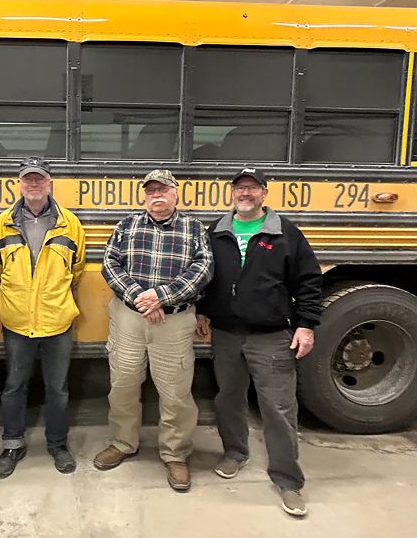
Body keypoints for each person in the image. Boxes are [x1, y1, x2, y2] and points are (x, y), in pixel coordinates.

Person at [195, 166, 322, 517]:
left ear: (264, 193)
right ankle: (235, 452)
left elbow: (309, 281)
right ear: (232, 194)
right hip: (225, 334)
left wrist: (306, 324)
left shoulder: (285, 234)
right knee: (228, 399)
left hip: (271, 337)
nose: (245, 193)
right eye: (239, 188)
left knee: (278, 407)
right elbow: (207, 277)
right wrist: (204, 310)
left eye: (252, 188)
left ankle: (288, 480)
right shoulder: (216, 232)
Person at [94, 169, 213, 492]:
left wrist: (162, 296)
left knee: (175, 389)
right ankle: (123, 442)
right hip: (128, 317)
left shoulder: (193, 229)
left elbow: (202, 271)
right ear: (144, 195)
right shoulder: (127, 225)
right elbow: (109, 264)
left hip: (173, 322)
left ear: (176, 194)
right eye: (150, 191)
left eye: (163, 190)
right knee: (123, 382)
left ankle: (175, 453)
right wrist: (140, 297)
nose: (156, 196)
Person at [0, 156, 86, 478]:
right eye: (28, 179)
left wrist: (52, 298)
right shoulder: (2, 223)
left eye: (39, 179)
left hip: (57, 321)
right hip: (17, 322)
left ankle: (58, 444)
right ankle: (12, 444)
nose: (33, 184)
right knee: (14, 385)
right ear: (19, 184)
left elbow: (77, 270)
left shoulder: (70, 223)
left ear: (49, 183)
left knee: (57, 388)